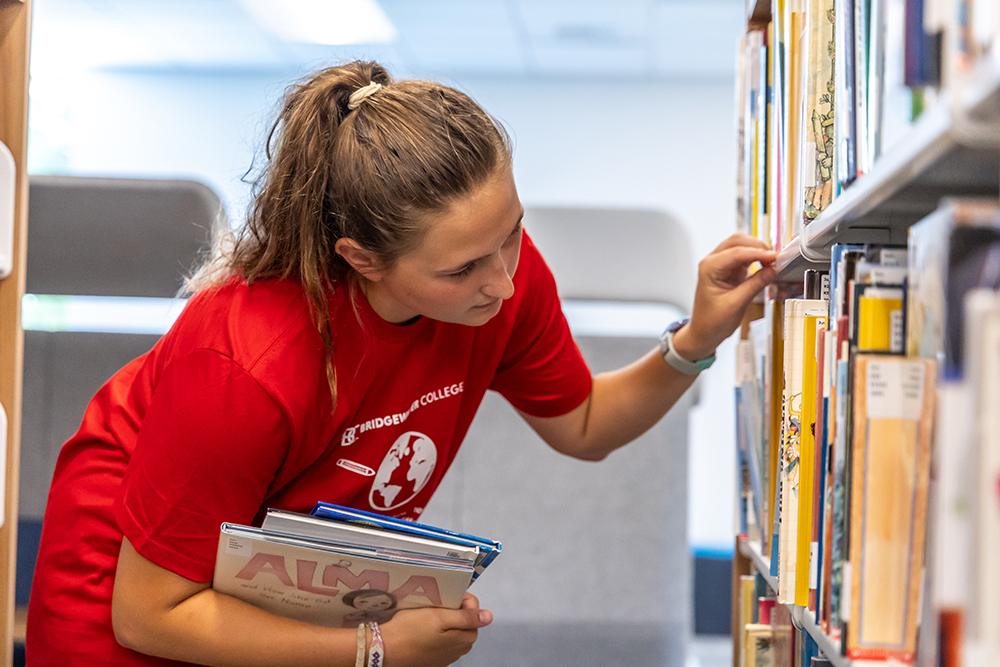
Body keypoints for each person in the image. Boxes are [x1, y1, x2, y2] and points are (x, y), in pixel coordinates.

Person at [25, 60, 776, 667]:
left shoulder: (497, 286)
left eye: (512, 234)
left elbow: (583, 424)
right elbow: (150, 614)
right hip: (138, 599)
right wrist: (372, 647)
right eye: (462, 269)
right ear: (362, 259)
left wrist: (695, 341)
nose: (504, 282)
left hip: (269, 592)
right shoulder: (247, 357)